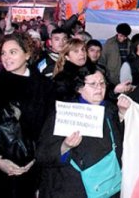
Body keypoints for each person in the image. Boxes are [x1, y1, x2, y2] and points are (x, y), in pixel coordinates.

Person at [37, 65, 125, 198]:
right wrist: (64, 146)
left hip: (109, 187)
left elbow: (124, 144)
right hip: (72, 189)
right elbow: (42, 154)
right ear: (79, 88)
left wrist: (123, 116)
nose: (99, 88)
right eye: (93, 84)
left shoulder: (110, 110)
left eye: (102, 83)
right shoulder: (65, 114)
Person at [0, 33, 54, 197]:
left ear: (27, 53)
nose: (6, 57)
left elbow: (49, 126)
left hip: (35, 167)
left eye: (12, 52)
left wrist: (36, 158)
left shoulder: (45, 86)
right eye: (3, 53)